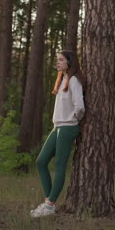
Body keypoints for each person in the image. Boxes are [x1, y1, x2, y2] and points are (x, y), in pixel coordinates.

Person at [30, 50, 86, 218]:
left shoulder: (74, 80)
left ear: (70, 62)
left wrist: (73, 120)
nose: (58, 62)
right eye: (57, 60)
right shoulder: (62, 79)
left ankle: (49, 206)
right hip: (57, 127)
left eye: (61, 60)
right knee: (41, 161)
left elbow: (80, 106)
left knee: (60, 165)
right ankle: (49, 202)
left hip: (68, 127)